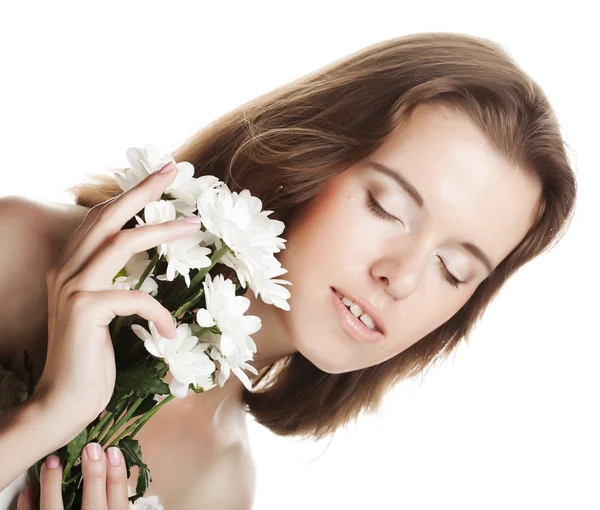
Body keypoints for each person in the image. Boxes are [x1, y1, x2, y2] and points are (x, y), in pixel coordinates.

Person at [0, 31, 577, 509]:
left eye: (452, 270)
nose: (399, 278)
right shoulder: (20, 251)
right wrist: (49, 414)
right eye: (387, 208)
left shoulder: (221, 482)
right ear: (311, 155)